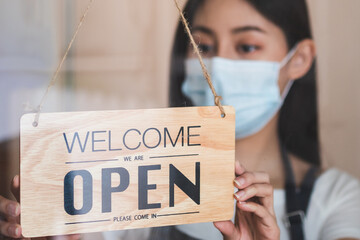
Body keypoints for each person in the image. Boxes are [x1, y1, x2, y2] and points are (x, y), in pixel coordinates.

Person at [1, 0, 359, 240]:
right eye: (202, 46)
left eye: (247, 46)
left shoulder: (338, 200)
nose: (216, 67)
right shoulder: (129, 188)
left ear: (300, 58)